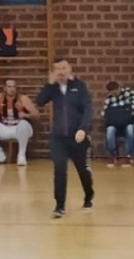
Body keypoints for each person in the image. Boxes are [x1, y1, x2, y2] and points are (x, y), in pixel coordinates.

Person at [35, 56, 94, 218]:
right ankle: (59, 206)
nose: (61, 72)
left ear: (69, 69)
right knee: (59, 169)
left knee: (82, 169)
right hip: (58, 138)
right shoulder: (53, 88)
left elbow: (88, 109)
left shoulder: (79, 86)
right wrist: (49, 83)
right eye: (58, 69)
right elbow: (39, 101)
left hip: (77, 137)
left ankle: (89, 196)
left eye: (63, 68)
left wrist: (83, 129)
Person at [0, 79, 40, 166]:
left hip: (19, 129)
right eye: (9, 87)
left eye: (14, 87)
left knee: (23, 124)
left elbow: (36, 115)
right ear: (5, 88)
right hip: (4, 127)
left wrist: (25, 115)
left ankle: (21, 155)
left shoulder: (23, 99)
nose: (12, 89)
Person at [102, 81, 134, 167]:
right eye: (112, 93)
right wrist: (122, 110)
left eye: (115, 91)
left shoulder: (130, 93)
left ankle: (129, 155)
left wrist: (116, 111)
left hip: (128, 122)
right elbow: (104, 113)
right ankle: (112, 155)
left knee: (130, 129)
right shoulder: (109, 98)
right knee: (110, 130)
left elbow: (133, 108)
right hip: (115, 124)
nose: (114, 94)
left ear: (119, 88)